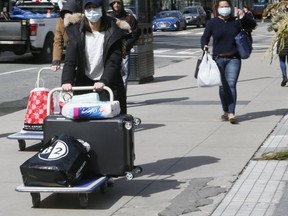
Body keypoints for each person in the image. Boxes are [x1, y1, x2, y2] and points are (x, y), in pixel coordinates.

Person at [61, 0, 128, 114]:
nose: (92, 11)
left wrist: (104, 81)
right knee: (84, 122)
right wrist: (67, 81)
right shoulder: (76, 31)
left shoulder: (113, 31)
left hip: (109, 84)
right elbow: (70, 60)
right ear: (84, 11)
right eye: (88, 8)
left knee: (111, 121)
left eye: (95, 7)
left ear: (101, 9)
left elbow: (113, 61)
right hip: (84, 82)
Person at [201, 0, 257, 124]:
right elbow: (205, 36)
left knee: (231, 84)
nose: (224, 8)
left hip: (234, 58)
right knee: (222, 87)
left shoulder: (236, 21)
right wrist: (204, 45)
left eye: (226, 6)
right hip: (218, 59)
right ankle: (225, 110)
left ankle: (232, 112)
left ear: (230, 8)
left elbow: (252, 25)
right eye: (222, 6)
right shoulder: (212, 23)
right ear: (217, 8)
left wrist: (243, 16)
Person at [108, 0, 140, 91]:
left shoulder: (129, 18)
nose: (116, 5)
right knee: (111, 73)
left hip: (124, 51)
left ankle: (122, 98)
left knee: (124, 75)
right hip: (112, 51)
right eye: (114, 3)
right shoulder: (109, 18)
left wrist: (126, 44)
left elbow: (135, 34)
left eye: (118, 3)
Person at [50, 0, 81, 71]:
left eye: (69, 15)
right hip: (70, 53)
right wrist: (56, 61)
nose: (66, 18)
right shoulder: (61, 22)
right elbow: (58, 41)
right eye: (64, 15)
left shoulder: (83, 21)